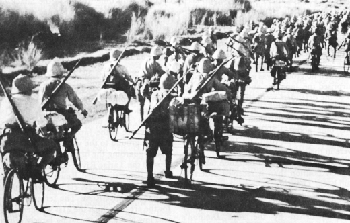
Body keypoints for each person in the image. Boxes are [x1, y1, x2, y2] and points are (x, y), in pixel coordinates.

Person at [0, 74, 57, 180]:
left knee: (5, 166)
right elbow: (41, 123)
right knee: (52, 146)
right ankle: (38, 168)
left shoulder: (5, 102)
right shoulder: (33, 102)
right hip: (27, 139)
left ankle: (6, 192)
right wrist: (45, 133)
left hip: (6, 139)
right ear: (29, 89)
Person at [38, 60, 87, 152]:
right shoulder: (64, 85)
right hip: (61, 112)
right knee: (77, 124)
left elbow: (40, 102)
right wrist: (82, 109)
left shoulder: (43, 86)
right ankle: (69, 136)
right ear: (60, 73)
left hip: (46, 114)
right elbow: (74, 99)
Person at [144, 64, 177, 187]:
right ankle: (168, 171)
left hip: (152, 127)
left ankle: (149, 176)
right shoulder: (172, 97)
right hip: (165, 128)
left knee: (150, 152)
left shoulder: (154, 94)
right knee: (168, 150)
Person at [100, 49, 133, 124]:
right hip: (119, 87)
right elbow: (128, 76)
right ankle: (126, 108)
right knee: (129, 91)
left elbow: (102, 77)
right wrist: (132, 82)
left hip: (107, 86)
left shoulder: (105, 66)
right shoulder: (121, 67)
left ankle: (110, 109)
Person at [135, 45, 165, 121]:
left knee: (141, 104)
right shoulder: (154, 64)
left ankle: (141, 120)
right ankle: (149, 117)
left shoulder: (145, 60)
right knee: (152, 100)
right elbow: (161, 72)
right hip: (147, 83)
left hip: (140, 82)